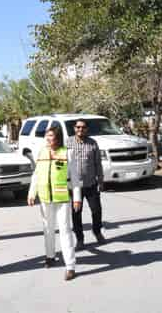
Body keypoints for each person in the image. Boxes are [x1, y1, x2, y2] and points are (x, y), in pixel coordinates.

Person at [28, 124, 82, 281]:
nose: (48, 138)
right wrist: (32, 193)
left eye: (51, 136)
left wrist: (77, 198)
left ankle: (70, 266)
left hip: (62, 198)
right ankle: (50, 256)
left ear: (58, 137)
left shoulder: (67, 153)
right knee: (48, 229)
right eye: (47, 135)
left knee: (65, 231)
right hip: (45, 198)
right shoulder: (42, 152)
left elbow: (75, 179)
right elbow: (36, 174)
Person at [67, 119, 105, 250]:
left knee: (96, 210)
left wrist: (100, 180)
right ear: (74, 128)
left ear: (86, 129)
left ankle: (97, 231)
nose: (80, 129)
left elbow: (98, 163)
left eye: (83, 127)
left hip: (91, 184)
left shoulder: (93, 143)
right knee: (76, 213)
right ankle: (80, 238)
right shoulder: (68, 143)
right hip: (74, 185)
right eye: (78, 127)